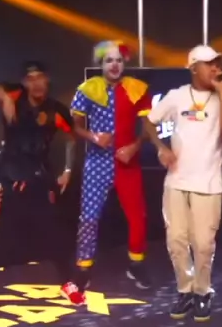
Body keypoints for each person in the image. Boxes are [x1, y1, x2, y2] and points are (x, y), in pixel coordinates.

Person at [0, 61, 75, 302]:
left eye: (40, 77)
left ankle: (67, 282)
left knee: (54, 231)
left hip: (38, 177)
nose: (36, 83)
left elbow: (71, 138)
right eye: (31, 79)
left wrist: (67, 169)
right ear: (25, 82)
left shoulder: (56, 110)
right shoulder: (15, 95)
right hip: (8, 176)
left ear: (47, 80)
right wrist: (3, 96)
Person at [143, 45, 222, 322]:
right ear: (194, 67)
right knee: (176, 241)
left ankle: (202, 291)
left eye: (218, 64)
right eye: (209, 64)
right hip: (176, 181)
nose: (215, 68)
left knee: (204, 244)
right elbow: (149, 122)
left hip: (209, 183)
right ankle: (185, 290)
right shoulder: (176, 96)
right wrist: (161, 148)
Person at [59, 41, 153, 306]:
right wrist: (93, 137)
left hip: (127, 162)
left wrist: (135, 146)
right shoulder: (88, 89)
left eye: (119, 60)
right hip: (97, 162)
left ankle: (136, 265)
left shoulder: (137, 89)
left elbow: (148, 128)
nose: (114, 65)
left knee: (138, 216)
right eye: (109, 60)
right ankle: (83, 268)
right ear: (100, 63)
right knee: (89, 218)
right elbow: (75, 126)